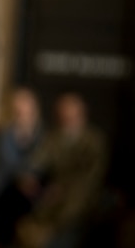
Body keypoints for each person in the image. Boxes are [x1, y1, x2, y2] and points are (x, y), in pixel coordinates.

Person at [14, 92, 108, 248]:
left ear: (81, 115)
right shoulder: (54, 138)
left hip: (81, 200)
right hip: (52, 200)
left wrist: (62, 188)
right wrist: (28, 175)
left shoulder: (94, 141)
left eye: (71, 116)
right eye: (63, 116)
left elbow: (91, 177)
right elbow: (38, 159)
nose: (67, 120)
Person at [0, 87, 44, 248]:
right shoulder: (5, 134)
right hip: (2, 188)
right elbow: (7, 163)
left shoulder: (42, 134)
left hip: (31, 190)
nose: (23, 115)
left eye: (26, 110)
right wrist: (24, 179)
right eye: (18, 111)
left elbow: (42, 161)